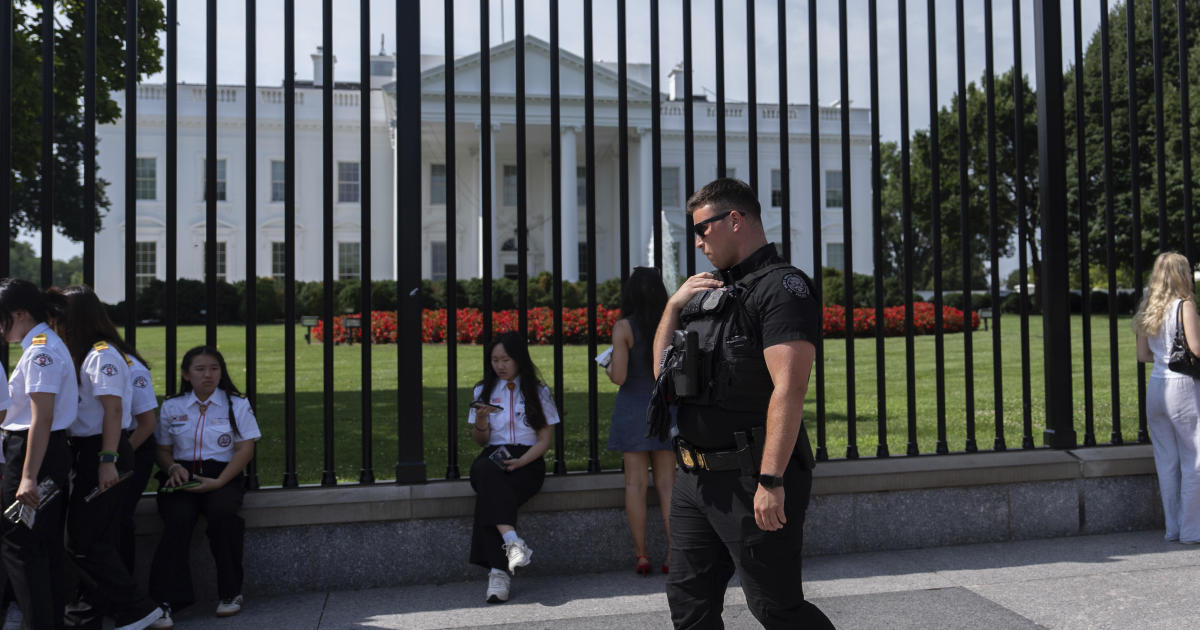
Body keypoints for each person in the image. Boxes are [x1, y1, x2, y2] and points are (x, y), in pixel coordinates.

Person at [650, 179, 833, 629]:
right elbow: (661, 375)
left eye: (703, 229)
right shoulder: (707, 291)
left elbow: (788, 390)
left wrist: (770, 480)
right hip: (695, 479)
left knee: (776, 606)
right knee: (689, 606)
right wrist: (673, 307)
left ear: (735, 220)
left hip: (752, 476)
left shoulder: (782, 289)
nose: (697, 241)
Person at [56, 285, 162, 630]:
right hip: (89, 451)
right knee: (91, 540)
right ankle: (89, 615)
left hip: (101, 451)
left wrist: (107, 459)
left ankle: (138, 609)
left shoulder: (102, 354)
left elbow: (114, 410)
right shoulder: (86, 353)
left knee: (84, 541)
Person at [147, 346, 261, 629]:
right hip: (182, 474)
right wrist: (172, 468)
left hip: (222, 474)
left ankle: (230, 592)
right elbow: (162, 450)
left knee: (223, 517)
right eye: (200, 369)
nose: (208, 375)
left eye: (214, 368)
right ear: (186, 375)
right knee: (178, 520)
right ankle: (165, 602)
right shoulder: (172, 406)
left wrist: (221, 481)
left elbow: (245, 448)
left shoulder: (236, 403)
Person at [0, 279, 75, 630]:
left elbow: (40, 418)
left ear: (19, 314)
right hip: (43, 451)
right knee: (41, 547)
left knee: (21, 547)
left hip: (33, 453)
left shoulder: (40, 351)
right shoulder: (43, 344)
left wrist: (28, 476)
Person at [467, 331, 560, 604]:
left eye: (506, 359)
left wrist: (522, 461)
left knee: (488, 494)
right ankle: (511, 546)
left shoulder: (538, 391)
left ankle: (498, 575)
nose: (500, 365)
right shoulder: (483, 390)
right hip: (494, 456)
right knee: (485, 472)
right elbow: (480, 440)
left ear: (518, 359)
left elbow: (545, 440)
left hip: (527, 458)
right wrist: (482, 422)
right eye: (495, 360)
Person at [605, 266, 675, 576]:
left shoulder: (624, 327)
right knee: (668, 484)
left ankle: (642, 554)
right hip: (665, 407)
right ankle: (674, 552)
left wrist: (607, 366)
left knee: (634, 484)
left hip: (633, 408)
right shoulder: (670, 323)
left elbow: (619, 377)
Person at [1134, 251, 1200, 544]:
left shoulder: (1149, 306)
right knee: (1194, 458)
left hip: (1157, 386)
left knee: (1166, 461)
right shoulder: (1185, 306)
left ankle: (1172, 528)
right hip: (1182, 387)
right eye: (1187, 270)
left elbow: (1142, 354)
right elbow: (1196, 349)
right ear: (1179, 274)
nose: (1191, 275)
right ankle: (1191, 530)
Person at [117, 350, 158, 573]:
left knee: (118, 517)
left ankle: (125, 591)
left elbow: (147, 423)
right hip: (103, 446)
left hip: (132, 444)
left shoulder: (131, 366)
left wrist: (120, 458)